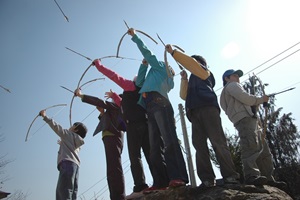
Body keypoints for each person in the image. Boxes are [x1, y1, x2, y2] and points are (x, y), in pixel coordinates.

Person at [165, 45, 240, 189]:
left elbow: (191, 64)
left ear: (199, 62)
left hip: (208, 108)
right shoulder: (193, 77)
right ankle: (207, 179)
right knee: (199, 146)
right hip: (194, 112)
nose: (188, 65)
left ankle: (230, 176)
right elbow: (183, 95)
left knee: (218, 142)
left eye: (191, 62)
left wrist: (174, 53)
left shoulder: (204, 72)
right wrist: (184, 80)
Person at [127, 28, 189, 193]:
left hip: (159, 103)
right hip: (149, 106)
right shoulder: (155, 75)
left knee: (169, 141)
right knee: (155, 146)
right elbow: (139, 82)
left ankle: (178, 176)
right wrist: (143, 66)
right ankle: (160, 181)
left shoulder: (161, 68)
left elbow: (148, 53)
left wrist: (135, 36)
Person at [92, 58, 154, 199]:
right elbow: (124, 105)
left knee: (134, 155)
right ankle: (160, 180)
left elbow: (113, 75)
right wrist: (114, 96)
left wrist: (98, 65)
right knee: (150, 153)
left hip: (133, 125)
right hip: (146, 124)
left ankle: (140, 186)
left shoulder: (130, 85)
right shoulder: (145, 91)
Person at [220, 69, 287, 188]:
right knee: (250, 146)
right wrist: (261, 99)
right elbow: (245, 98)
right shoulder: (231, 86)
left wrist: (257, 102)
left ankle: (268, 178)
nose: (237, 78)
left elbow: (246, 101)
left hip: (249, 119)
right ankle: (251, 175)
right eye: (234, 75)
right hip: (244, 119)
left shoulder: (231, 89)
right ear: (227, 78)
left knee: (263, 149)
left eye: (238, 76)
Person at [74, 88, 126, 200]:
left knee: (114, 167)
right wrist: (102, 113)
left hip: (113, 137)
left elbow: (98, 101)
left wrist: (81, 95)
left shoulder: (117, 106)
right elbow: (108, 121)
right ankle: (115, 196)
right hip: (110, 138)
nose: (111, 100)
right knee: (112, 168)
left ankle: (119, 196)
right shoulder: (114, 109)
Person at [39, 109, 87, 200]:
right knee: (72, 191)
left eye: (73, 125)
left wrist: (44, 116)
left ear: (76, 129)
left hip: (67, 164)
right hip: (76, 167)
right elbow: (71, 146)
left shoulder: (68, 134)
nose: (70, 126)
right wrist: (62, 142)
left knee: (63, 190)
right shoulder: (78, 142)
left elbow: (57, 128)